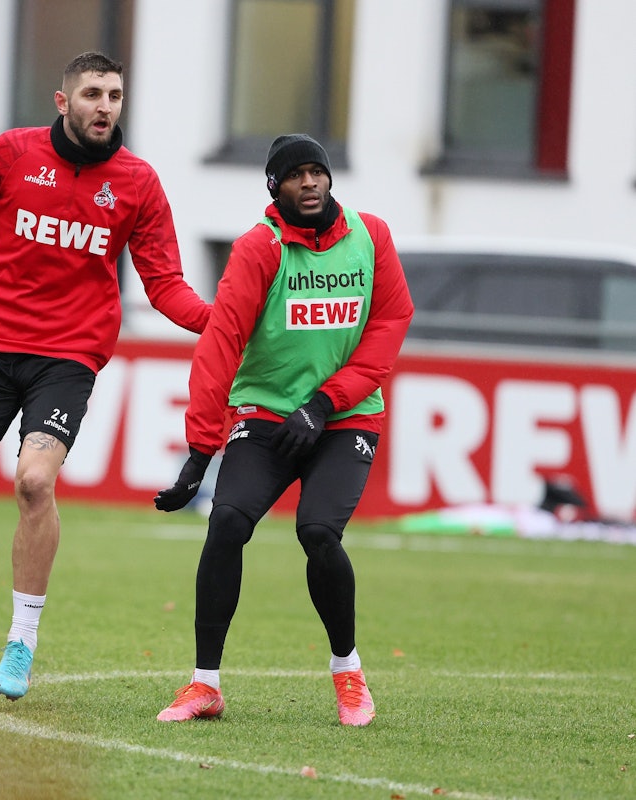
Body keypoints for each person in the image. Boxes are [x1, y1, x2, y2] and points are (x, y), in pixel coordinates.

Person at [0, 51, 211, 700]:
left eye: (115, 95)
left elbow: (164, 286)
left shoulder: (138, 182)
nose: (106, 106)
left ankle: (21, 640)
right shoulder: (13, 153)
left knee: (34, 482)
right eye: (93, 93)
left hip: (68, 356)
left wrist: (222, 323)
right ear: (63, 101)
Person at [153, 134, 413, 726]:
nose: (310, 182)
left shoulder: (372, 236)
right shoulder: (258, 248)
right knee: (226, 522)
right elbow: (221, 345)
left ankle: (348, 674)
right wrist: (199, 453)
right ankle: (204, 685)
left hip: (344, 416)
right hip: (267, 414)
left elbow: (390, 323)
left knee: (318, 532)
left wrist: (323, 402)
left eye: (317, 170)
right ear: (275, 187)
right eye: (296, 174)